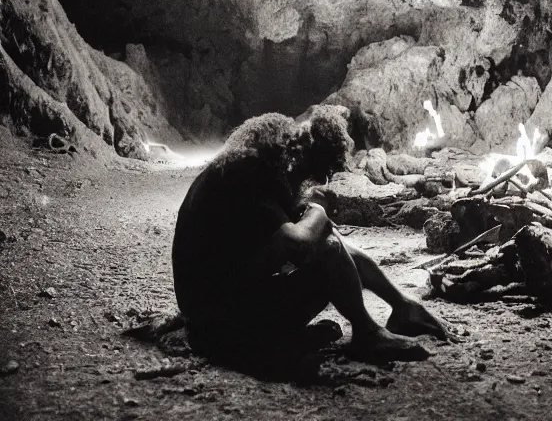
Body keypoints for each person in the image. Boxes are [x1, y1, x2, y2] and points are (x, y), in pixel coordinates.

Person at [172, 109, 454, 363]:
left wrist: (399, 299)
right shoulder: (249, 175)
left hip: (215, 312)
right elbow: (299, 242)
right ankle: (366, 335)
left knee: (324, 235)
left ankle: (401, 308)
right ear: (301, 161)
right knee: (325, 248)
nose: (312, 183)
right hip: (216, 326)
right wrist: (318, 207)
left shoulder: (261, 165)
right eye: (317, 175)